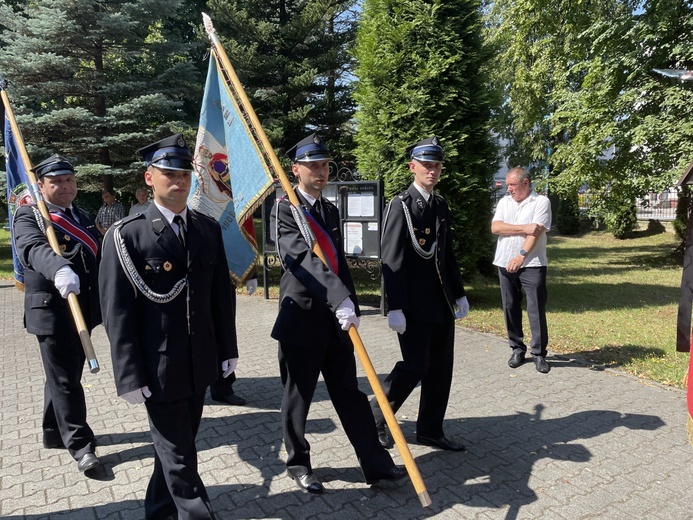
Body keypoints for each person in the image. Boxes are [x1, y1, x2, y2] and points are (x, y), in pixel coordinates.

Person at [99, 134, 238, 519]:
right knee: (180, 458)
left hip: (199, 361)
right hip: (156, 367)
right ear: (149, 178)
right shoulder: (127, 235)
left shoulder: (207, 229)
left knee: (177, 445)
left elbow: (219, 299)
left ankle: (159, 510)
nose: (178, 181)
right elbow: (117, 312)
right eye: (168, 174)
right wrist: (128, 374)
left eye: (184, 174)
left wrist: (227, 349)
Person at [270, 133, 406, 494]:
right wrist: (338, 297)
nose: (321, 171)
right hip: (301, 318)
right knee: (297, 398)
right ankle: (298, 463)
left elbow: (337, 263)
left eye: (325, 164)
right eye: (313, 165)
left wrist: (350, 303)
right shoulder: (285, 208)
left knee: (349, 393)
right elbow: (300, 258)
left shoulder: (328, 209)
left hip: (335, 320)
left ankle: (375, 465)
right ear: (295, 169)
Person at [370, 136, 469, 452]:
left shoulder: (439, 205)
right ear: (413, 167)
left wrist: (459, 293)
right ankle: (375, 416)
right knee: (414, 366)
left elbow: (446, 255)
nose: (433, 170)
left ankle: (430, 430)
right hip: (412, 305)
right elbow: (392, 258)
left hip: (439, 302)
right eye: (427, 165)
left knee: (441, 368)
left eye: (437, 165)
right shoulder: (400, 206)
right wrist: (394, 306)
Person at [13, 154, 102, 473]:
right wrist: (59, 267)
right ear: (42, 185)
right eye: (56, 182)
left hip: (83, 311)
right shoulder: (30, 215)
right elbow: (31, 248)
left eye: (69, 180)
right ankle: (80, 445)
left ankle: (53, 432)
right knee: (66, 380)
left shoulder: (83, 216)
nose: (65, 186)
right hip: (51, 312)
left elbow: (100, 256)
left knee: (64, 376)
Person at [491, 167, 552, 373]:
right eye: (508, 185)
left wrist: (520, 256)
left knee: (535, 309)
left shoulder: (541, 202)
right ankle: (517, 349)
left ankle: (539, 354)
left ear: (525, 183)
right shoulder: (504, 202)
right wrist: (524, 227)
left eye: (512, 185)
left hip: (532, 264)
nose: (508, 189)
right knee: (510, 307)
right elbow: (496, 228)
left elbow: (536, 233)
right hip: (504, 262)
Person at [209, 270, 256, 406]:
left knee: (224, 329)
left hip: (222, 275)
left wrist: (251, 273)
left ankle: (222, 387)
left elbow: (240, 247)